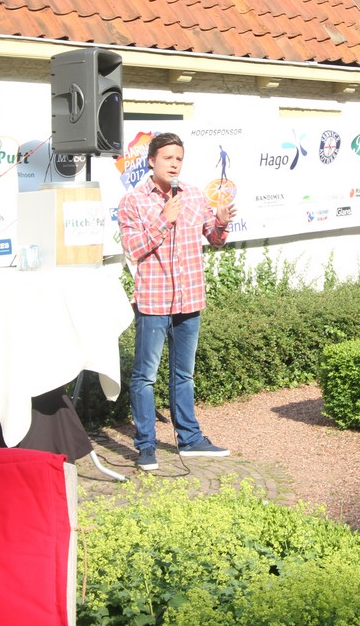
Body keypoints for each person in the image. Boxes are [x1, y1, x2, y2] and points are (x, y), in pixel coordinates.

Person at [118, 132, 236, 471]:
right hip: (153, 302)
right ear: (151, 160)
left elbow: (214, 239)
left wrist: (222, 224)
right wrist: (163, 220)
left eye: (179, 159)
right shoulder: (133, 201)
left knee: (184, 375)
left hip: (189, 299)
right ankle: (146, 446)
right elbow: (133, 248)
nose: (174, 164)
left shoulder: (194, 195)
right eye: (167, 158)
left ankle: (190, 438)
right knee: (145, 376)